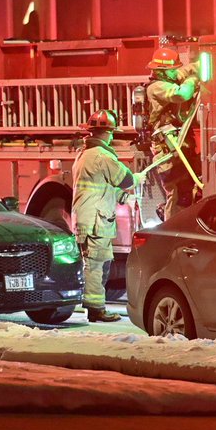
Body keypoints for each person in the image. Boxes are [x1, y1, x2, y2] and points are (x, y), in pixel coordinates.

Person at [70, 110, 136, 322]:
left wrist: (120, 196)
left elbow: (100, 186)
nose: (112, 137)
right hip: (96, 221)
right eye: (111, 132)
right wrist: (138, 178)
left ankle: (95, 306)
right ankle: (96, 309)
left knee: (96, 263)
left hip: (87, 218)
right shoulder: (102, 156)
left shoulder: (83, 155)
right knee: (96, 264)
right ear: (106, 133)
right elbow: (125, 179)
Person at [144, 47, 201, 221]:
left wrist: (205, 62)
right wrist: (192, 80)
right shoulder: (156, 88)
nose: (176, 72)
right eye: (172, 70)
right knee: (177, 196)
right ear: (162, 71)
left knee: (188, 192)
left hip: (180, 147)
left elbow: (185, 71)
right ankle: (174, 232)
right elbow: (182, 94)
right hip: (168, 152)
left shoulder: (169, 77)